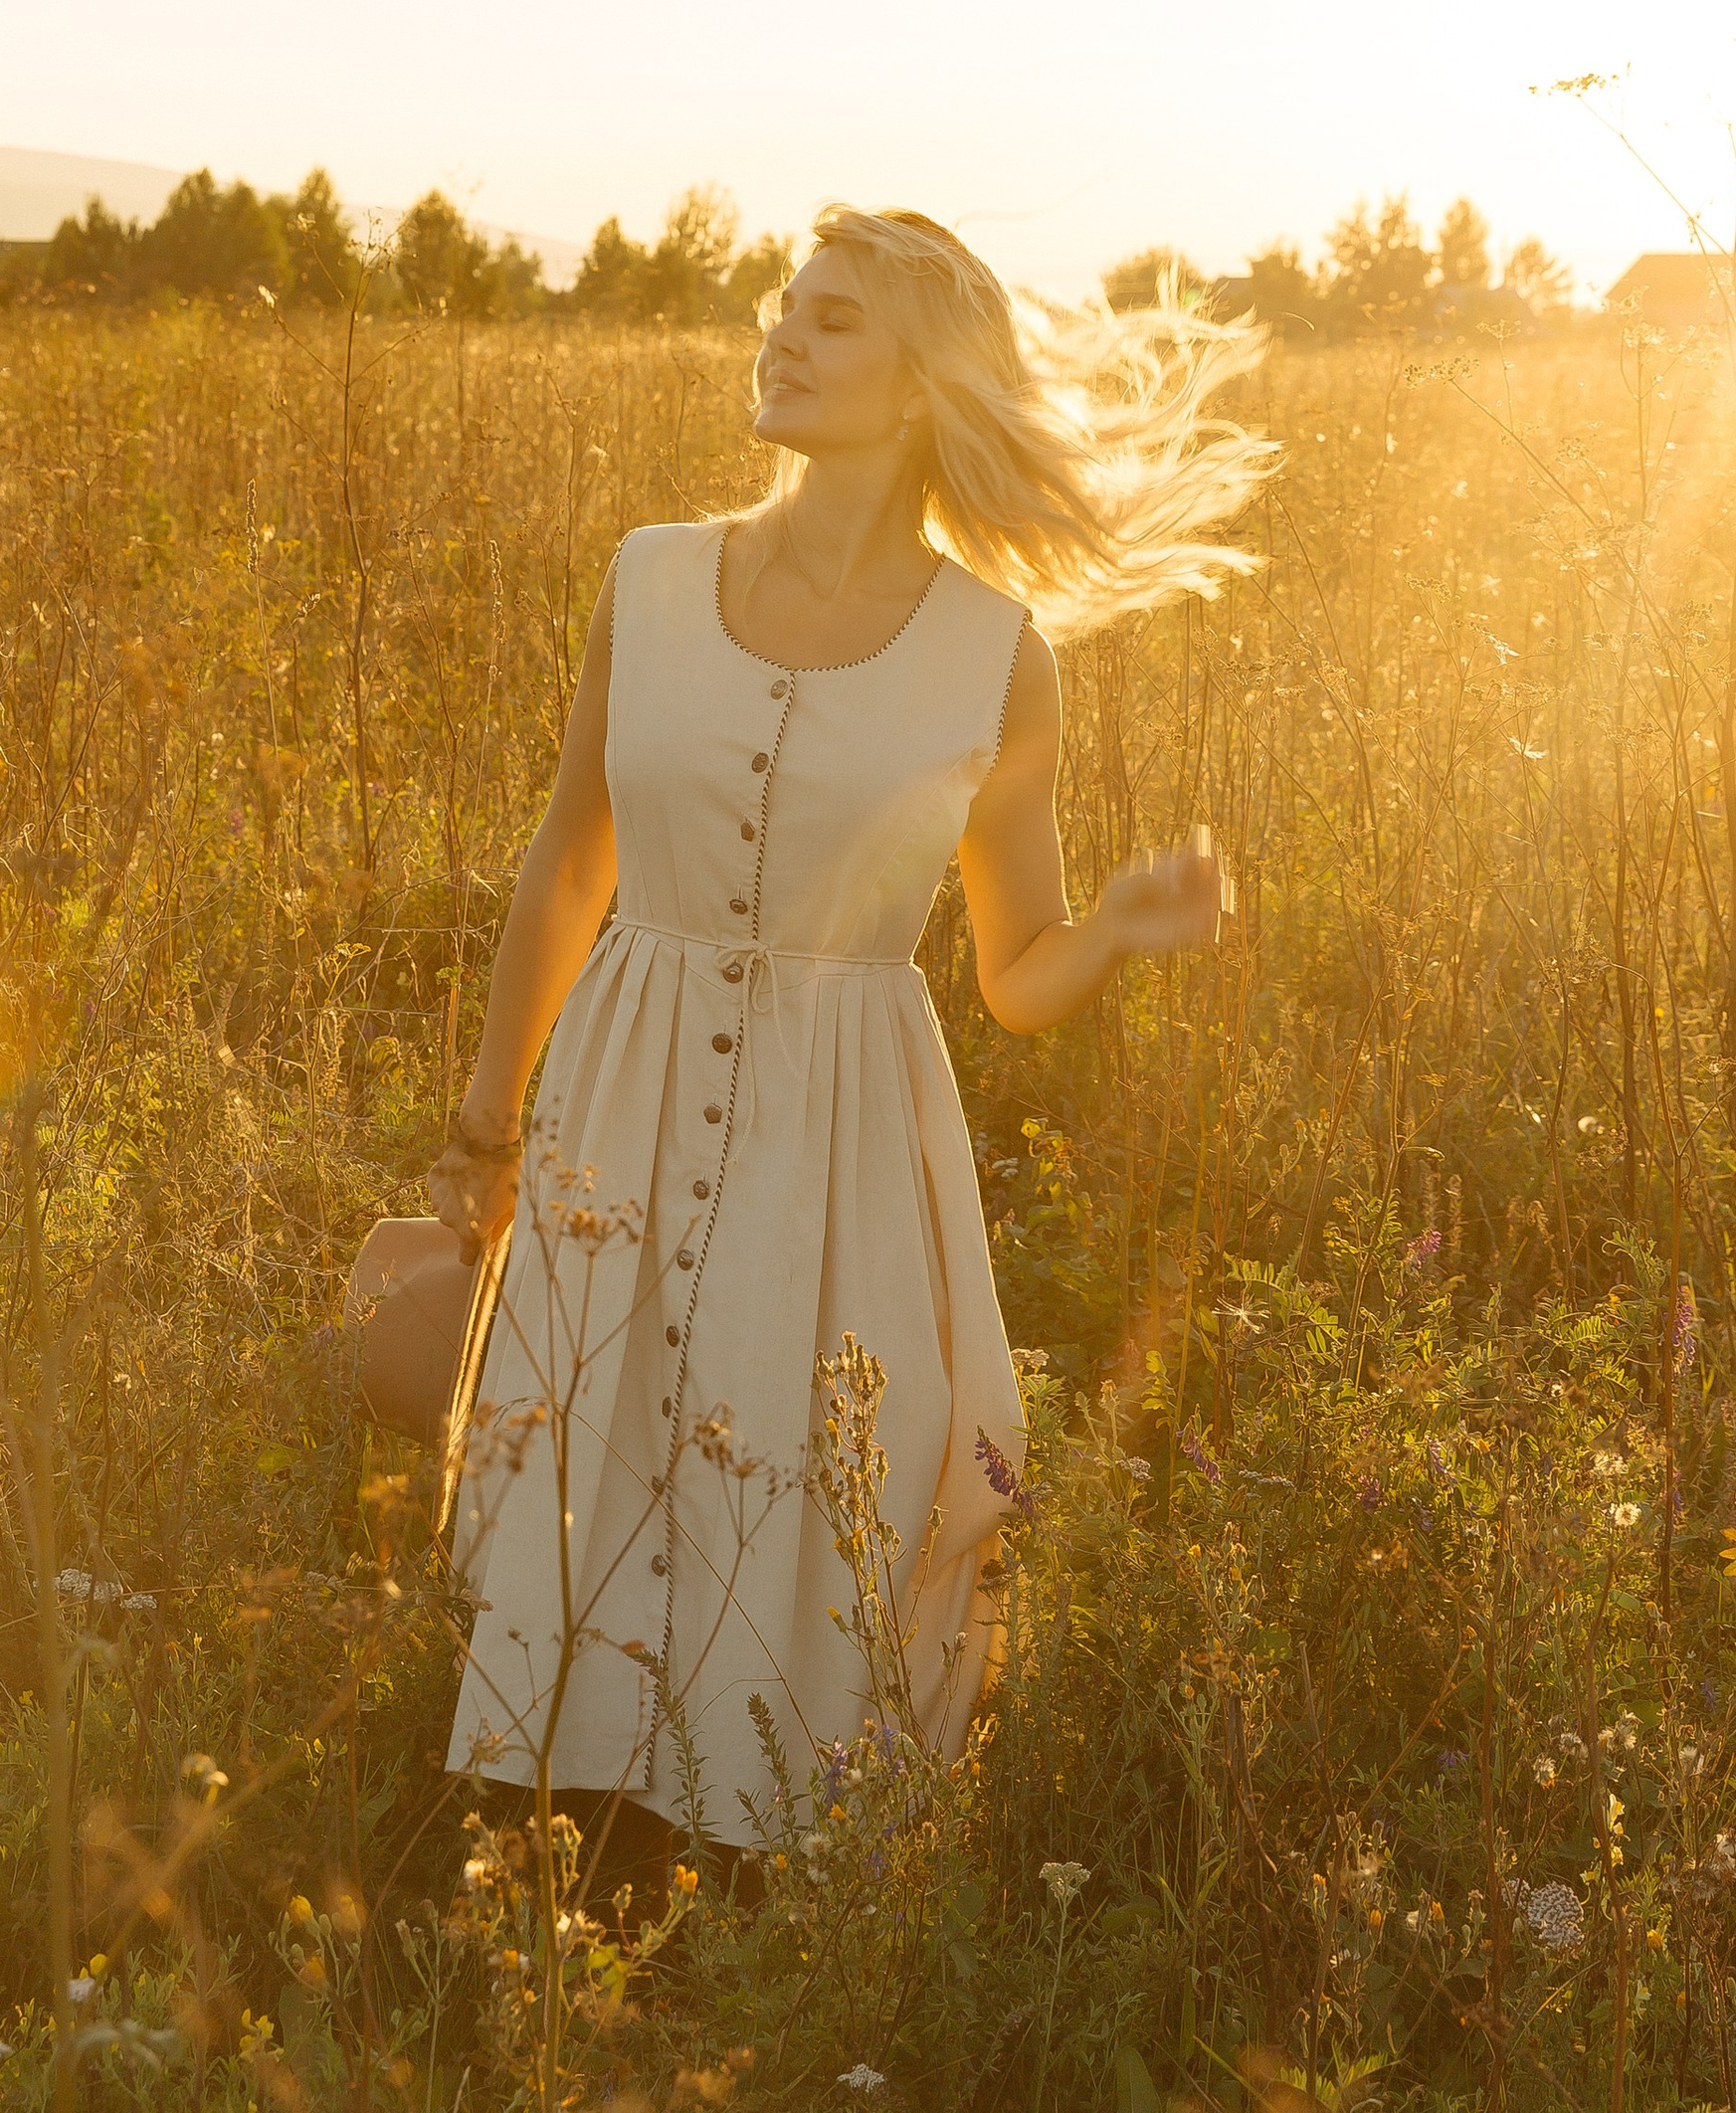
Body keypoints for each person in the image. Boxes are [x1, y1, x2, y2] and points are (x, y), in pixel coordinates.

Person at [370, 202, 1269, 1858]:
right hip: (621, 1077)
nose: (782, 334)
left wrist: (1125, 932)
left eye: (835, 318)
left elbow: (1015, 974)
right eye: (785, 307)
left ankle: (776, 1834)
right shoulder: (650, 577)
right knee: (604, 1410)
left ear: (926, 381)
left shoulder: (996, 657)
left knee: (807, 1451)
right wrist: (487, 1124)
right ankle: (549, 1821)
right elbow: (571, 858)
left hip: (843, 1120)